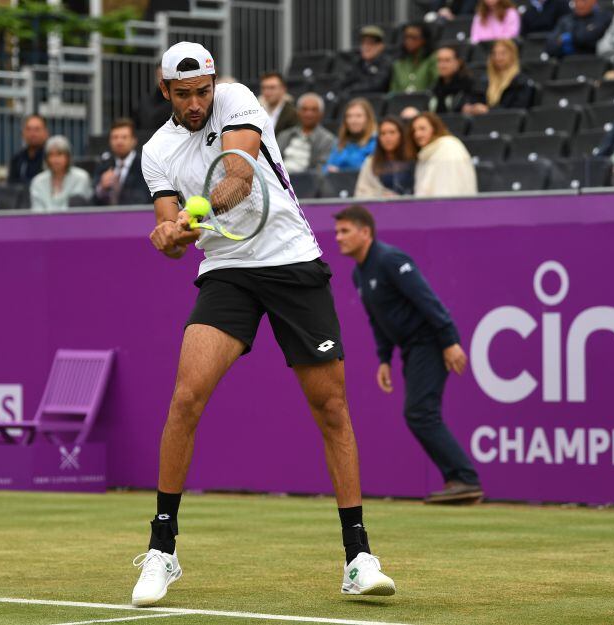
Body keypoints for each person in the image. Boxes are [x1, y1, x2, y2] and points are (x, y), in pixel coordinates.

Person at [135, 41, 396, 607]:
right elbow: (172, 238)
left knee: (331, 408)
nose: (198, 102)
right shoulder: (155, 151)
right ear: (166, 93)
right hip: (227, 270)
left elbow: (238, 179)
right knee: (185, 399)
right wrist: (167, 237)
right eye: (185, 95)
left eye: (203, 90)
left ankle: (358, 557)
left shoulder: (236, 99)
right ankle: (162, 549)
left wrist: (191, 214)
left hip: (291, 259)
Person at [333, 205, 483, 504]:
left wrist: (449, 341)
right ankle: (460, 480)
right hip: (409, 349)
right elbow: (377, 319)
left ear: (366, 233)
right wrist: (384, 359)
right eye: (337, 232)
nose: (338, 238)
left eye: (345, 231)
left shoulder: (390, 260)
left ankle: (464, 479)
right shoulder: (359, 275)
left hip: (430, 342)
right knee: (419, 414)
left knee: (419, 413)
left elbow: (428, 301)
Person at [410, 112, 477, 196]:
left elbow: (450, 191)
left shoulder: (448, 148)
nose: (417, 134)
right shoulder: (427, 153)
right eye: (414, 131)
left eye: (422, 129)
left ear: (435, 128)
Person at [463, 39, 537, 115]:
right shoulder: (484, 80)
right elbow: (473, 99)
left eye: (503, 53)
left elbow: (518, 110)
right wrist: (471, 108)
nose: (498, 58)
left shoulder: (521, 82)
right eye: (494, 54)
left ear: (512, 55)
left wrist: (488, 111)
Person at [93, 119, 151, 206]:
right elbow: (92, 201)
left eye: (124, 137)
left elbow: (143, 198)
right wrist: (101, 188)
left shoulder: (144, 165)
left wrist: (117, 189)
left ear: (134, 141)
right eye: (115, 137)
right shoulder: (103, 165)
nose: (119, 141)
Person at [355, 117, 417, 198]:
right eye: (383, 133)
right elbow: (361, 192)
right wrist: (380, 195)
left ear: (401, 135)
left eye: (392, 132)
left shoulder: (414, 160)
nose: (387, 137)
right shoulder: (370, 162)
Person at [277, 92, 338, 174]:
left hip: (307, 182)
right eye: (304, 109)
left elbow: (321, 169)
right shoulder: (284, 135)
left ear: (321, 114)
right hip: (280, 180)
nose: (309, 114)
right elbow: (274, 162)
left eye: (314, 110)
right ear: (298, 112)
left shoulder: (328, 140)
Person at [29, 136, 93, 211]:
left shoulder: (81, 177)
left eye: (59, 154)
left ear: (68, 157)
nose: (55, 159)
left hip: (73, 221)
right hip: (43, 222)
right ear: (46, 159)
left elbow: (77, 208)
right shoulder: (37, 181)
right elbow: (37, 211)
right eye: (51, 155)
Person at [325, 98, 379, 173]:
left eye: (358, 116)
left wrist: (340, 172)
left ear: (368, 118)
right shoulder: (340, 143)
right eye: (349, 116)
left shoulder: (376, 142)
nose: (353, 120)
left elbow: (369, 170)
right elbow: (327, 167)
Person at [545, 0, 612, 58]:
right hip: (567, 62)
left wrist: (567, 39)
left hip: (594, 60)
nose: (580, 4)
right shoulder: (565, 20)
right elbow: (550, 46)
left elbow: (590, 38)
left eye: (584, 1)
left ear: (593, 1)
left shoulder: (603, 17)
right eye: (576, 1)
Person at [338, 25, 393, 95]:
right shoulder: (357, 63)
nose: (365, 47)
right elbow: (343, 83)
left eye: (370, 43)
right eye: (363, 43)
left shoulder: (386, 63)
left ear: (380, 46)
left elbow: (377, 86)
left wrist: (351, 90)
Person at [390, 23, 438, 94]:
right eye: (406, 37)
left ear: (424, 39)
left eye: (413, 37)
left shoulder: (432, 60)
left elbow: (436, 86)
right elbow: (393, 91)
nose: (408, 41)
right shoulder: (399, 62)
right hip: (401, 103)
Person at [430, 43, 476, 113]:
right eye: (439, 60)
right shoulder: (433, 88)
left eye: (447, 60)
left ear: (458, 62)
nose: (442, 65)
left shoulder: (470, 86)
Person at [7, 114, 49, 185]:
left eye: (37, 129)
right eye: (28, 129)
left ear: (45, 133)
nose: (32, 134)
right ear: (23, 133)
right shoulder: (16, 159)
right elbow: (11, 187)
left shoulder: (51, 158)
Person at [135, 63, 174, 131]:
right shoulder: (146, 99)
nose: (162, 80)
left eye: (165, 77)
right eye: (159, 76)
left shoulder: (177, 100)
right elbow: (147, 122)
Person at [258, 72, 299, 136]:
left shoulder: (293, 114)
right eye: (264, 88)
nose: (267, 92)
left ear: (283, 89)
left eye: (272, 88)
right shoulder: (256, 113)